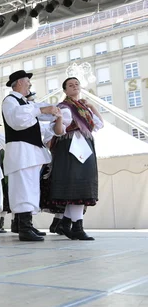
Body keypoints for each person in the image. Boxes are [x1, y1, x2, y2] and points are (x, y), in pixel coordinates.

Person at [1, 70, 65, 242]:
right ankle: (23, 227)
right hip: (21, 152)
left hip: (30, 153)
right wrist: (41, 109)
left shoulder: (26, 104)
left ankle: (27, 224)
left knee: (30, 189)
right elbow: (17, 121)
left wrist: (56, 117)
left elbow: (41, 128)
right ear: (20, 83)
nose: (30, 85)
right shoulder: (10, 101)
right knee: (22, 188)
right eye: (28, 82)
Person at [46, 77, 103, 240]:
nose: (74, 87)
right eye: (70, 85)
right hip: (71, 147)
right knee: (77, 185)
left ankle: (66, 223)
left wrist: (91, 106)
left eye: (76, 84)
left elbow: (99, 125)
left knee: (81, 185)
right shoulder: (64, 107)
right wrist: (58, 118)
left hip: (85, 145)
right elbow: (59, 131)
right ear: (65, 90)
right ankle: (76, 226)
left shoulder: (84, 108)